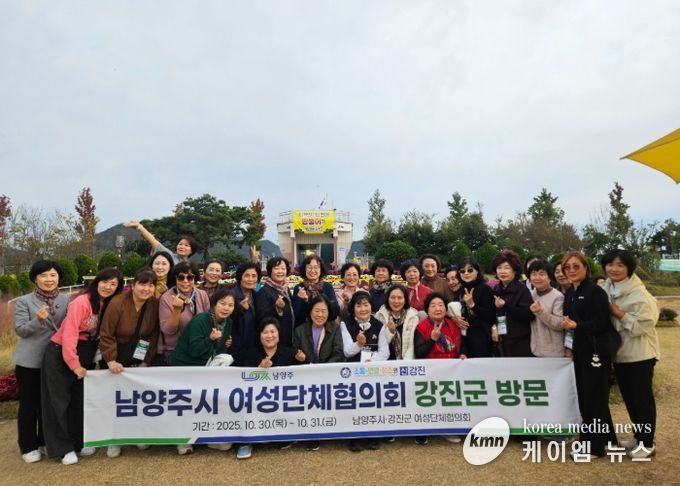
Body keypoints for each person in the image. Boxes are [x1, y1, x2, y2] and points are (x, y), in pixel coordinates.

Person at [41, 268, 123, 465]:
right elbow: (69, 335)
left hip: (85, 354)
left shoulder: (107, 304)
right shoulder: (81, 302)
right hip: (61, 353)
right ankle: (63, 449)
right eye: (105, 282)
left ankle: (78, 442)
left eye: (113, 284)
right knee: (58, 402)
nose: (108, 287)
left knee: (79, 402)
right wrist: (74, 365)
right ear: (97, 282)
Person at [600, 249, 659, 459]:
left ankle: (647, 444)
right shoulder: (606, 288)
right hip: (620, 354)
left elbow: (646, 324)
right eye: (610, 264)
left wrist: (617, 312)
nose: (614, 269)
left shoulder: (640, 295)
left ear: (629, 268)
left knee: (641, 400)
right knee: (631, 399)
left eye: (620, 265)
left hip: (639, 355)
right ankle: (638, 437)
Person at [99, 268, 160, 458]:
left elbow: (152, 334)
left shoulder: (154, 304)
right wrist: (110, 359)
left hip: (137, 354)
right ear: (133, 285)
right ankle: (113, 439)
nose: (147, 289)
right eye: (142, 284)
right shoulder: (118, 302)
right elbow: (106, 333)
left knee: (137, 399)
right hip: (116, 355)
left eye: (151, 285)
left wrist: (145, 360)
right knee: (115, 399)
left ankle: (136, 434)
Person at [562, 251, 617, 459]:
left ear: (586, 267)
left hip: (596, 352)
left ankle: (593, 447)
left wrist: (578, 326)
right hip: (579, 351)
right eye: (568, 267)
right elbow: (568, 323)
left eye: (576, 266)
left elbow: (602, 323)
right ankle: (608, 440)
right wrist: (568, 346)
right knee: (589, 398)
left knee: (593, 399)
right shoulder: (570, 292)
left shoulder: (595, 292)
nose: (572, 270)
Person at [13, 260, 69, 464]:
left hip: (54, 361)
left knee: (50, 403)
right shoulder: (24, 301)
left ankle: (45, 441)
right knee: (29, 404)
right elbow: (21, 330)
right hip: (30, 361)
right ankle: (28, 445)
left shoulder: (66, 300)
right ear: (35, 278)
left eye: (53, 275)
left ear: (59, 277)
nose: (49, 279)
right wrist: (37, 320)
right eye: (43, 275)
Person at [237, 317, 305, 459]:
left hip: (282, 401)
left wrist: (303, 360)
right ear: (260, 335)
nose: (269, 336)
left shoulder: (290, 353)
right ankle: (246, 442)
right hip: (257, 401)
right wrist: (260, 369)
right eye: (265, 332)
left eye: (273, 332)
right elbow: (244, 381)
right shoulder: (252, 354)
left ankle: (286, 436)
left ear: (279, 334)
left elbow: (306, 373)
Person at [413, 292, 467, 445]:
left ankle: (449, 427)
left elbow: (463, 343)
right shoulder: (422, 327)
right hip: (432, 372)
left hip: (453, 370)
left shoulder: (453, 324)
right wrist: (432, 339)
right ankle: (427, 428)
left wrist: (463, 353)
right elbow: (419, 353)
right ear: (427, 310)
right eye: (433, 306)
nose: (437, 308)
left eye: (441, 305)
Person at [339, 291, 389, 452]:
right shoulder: (345, 324)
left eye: (366, 305)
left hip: (373, 371)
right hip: (353, 372)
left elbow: (384, 352)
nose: (363, 309)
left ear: (371, 307)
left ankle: (372, 435)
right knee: (354, 403)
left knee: (372, 403)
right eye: (359, 305)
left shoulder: (379, 325)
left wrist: (371, 362)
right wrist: (358, 345)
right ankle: (354, 437)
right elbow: (347, 351)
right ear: (353, 308)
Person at [293, 295, 344, 451]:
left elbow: (339, 353)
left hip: (328, 376)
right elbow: (295, 352)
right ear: (310, 312)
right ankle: (309, 434)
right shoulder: (300, 330)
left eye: (324, 311)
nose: (320, 315)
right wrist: (300, 358)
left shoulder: (335, 328)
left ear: (329, 313)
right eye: (316, 311)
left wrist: (322, 370)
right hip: (305, 376)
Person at [156, 262, 210, 366]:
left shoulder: (202, 295)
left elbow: (208, 322)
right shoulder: (166, 298)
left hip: (198, 348)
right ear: (175, 279)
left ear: (194, 279)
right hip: (175, 350)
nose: (185, 281)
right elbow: (168, 331)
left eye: (190, 277)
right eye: (181, 277)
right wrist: (176, 310)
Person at [492, 250, 533, 357]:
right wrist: (494, 327)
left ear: (515, 270)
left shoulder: (522, 290)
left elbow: (529, 315)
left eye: (507, 268)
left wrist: (506, 306)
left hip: (520, 342)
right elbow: (492, 313)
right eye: (499, 268)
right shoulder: (496, 289)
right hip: (501, 341)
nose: (502, 271)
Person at [456, 257, 496, 358]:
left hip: (481, 337)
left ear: (477, 271)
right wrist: (454, 318)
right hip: (463, 337)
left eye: (470, 270)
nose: (466, 273)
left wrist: (472, 305)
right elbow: (455, 310)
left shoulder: (485, 289)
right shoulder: (460, 290)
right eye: (462, 271)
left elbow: (491, 316)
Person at [527, 260, 565, 357]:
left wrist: (539, 311)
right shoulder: (530, 295)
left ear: (549, 277)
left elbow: (560, 324)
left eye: (542, 274)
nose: (537, 278)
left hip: (553, 350)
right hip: (535, 348)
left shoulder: (558, 296)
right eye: (533, 274)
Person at [254, 257, 295, 347]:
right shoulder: (264, 292)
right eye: (276, 268)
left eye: (283, 268)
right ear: (270, 271)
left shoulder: (285, 289)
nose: (280, 271)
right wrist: (276, 308)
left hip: (288, 337)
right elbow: (260, 317)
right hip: (274, 342)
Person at [375, 284, 420, 360]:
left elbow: (411, 346)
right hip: (385, 362)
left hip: (406, 362)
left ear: (405, 299)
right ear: (388, 299)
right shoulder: (380, 315)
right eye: (393, 297)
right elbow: (379, 345)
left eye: (400, 298)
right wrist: (390, 331)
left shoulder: (413, 317)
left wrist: (404, 364)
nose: (396, 301)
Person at [292, 255, 339, 326]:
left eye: (316, 267)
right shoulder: (299, 288)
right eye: (309, 267)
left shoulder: (328, 287)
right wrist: (305, 301)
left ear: (321, 269)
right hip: (304, 330)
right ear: (304, 269)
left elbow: (335, 313)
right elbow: (297, 315)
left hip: (325, 328)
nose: (312, 270)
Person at [124, 220, 197, 264]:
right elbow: (153, 241)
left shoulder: (191, 266)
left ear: (191, 251)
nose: (182, 246)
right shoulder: (170, 256)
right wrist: (139, 227)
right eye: (180, 244)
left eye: (186, 245)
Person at [231, 262, 262, 364]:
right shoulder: (232, 295)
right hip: (236, 348)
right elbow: (227, 321)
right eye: (247, 275)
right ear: (240, 277)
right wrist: (240, 309)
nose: (250, 279)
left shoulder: (256, 295)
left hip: (253, 346)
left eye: (254, 276)